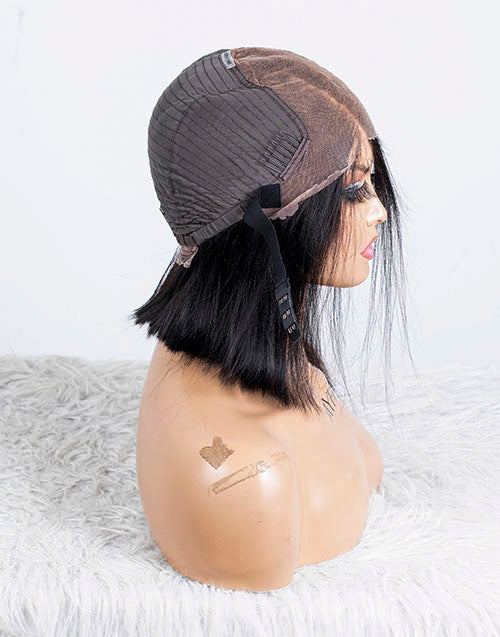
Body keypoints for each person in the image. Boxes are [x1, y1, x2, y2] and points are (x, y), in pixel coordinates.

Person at [130, 47, 415, 592]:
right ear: (262, 220)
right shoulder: (245, 482)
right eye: (352, 189)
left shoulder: (285, 359)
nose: (379, 210)